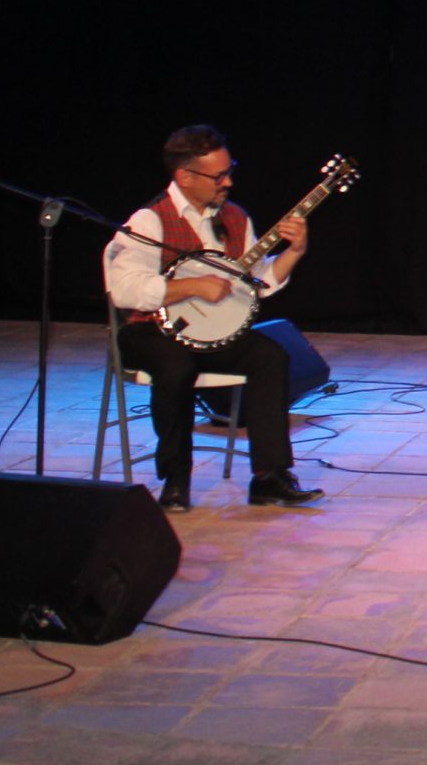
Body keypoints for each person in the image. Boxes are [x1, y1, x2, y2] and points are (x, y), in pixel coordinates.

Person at [103, 125, 323, 511]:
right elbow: (124, 290)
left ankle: (269, 477)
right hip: (149, 331)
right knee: (176, 366)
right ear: (185, 176)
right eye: (218, 176)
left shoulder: (235, 218)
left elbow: (256, 284)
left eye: (229, 171)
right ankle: (176, 478)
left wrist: (294, 252)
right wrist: (191, 287)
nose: (228, 182)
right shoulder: (149, 221)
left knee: (271, 356)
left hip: (210, 333)